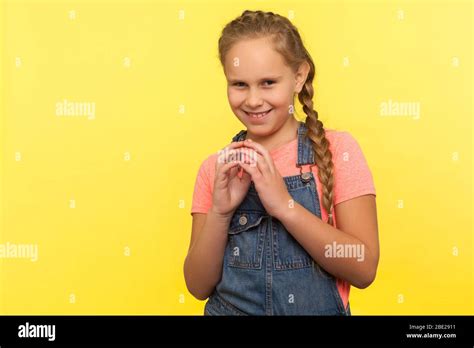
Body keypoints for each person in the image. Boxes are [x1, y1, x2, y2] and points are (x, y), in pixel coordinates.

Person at [184, 10, 379, 315]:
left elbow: (364, 267)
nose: (252, 100)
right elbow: (197, 285)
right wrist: (221, 213)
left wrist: (284, 206)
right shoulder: (215, 168)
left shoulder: (337, 151)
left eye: (268, 82)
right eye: (239, 84)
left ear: (299, 76)